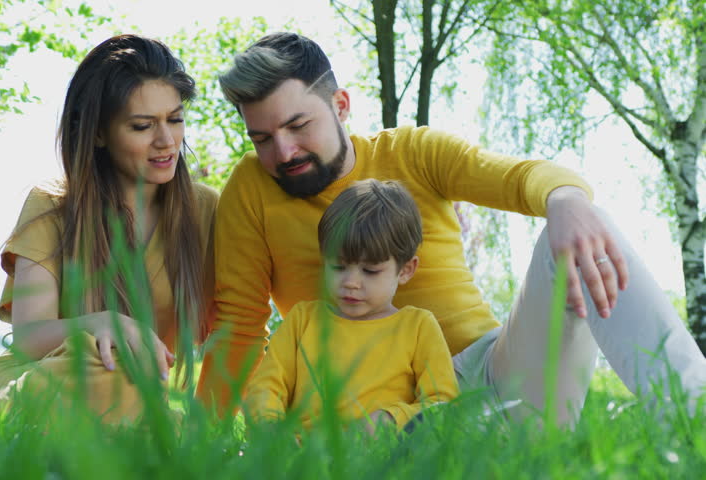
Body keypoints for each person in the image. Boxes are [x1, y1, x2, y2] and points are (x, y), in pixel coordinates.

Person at [197, 32, 706, 425]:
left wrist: (568, 200)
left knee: (577, 236)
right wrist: (198, 445)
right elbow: (239, 328)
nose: (282, 152)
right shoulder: (252, 186)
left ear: (341, 106)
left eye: (297, 126)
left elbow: (517, 177)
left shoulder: (413, 152)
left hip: (496, 378)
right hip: (379, 414)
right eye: (261, 137)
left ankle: (695, 419)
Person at [0, 34, 218, 424]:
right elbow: (30, 338)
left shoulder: (205, 210)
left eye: (176, 119)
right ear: (98, 133)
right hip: (37, 378)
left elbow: (237, 330)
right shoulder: (53, 203)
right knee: (106, 368)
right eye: (142, 126)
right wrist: (102, 324)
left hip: (132, 388)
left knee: (130, 385)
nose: (166, 141)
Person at [244, 179, 459, 433]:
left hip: (384, 457)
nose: (351, 283)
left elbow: (443, 404)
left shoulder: (417, 326)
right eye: (338, 266)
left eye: (370, 270)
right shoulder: (302, 320)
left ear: (405, 269)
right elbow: (265, 387)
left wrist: (390, 419)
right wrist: (272, 433)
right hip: (305, 458)